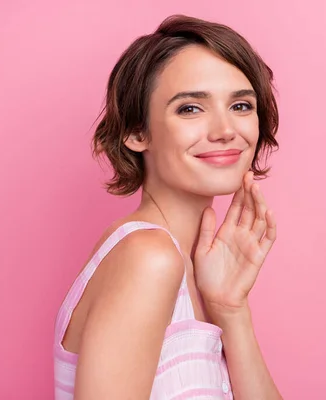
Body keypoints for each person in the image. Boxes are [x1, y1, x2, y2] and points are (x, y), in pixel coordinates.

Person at [54, 14, 282, 399]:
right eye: (190, 108)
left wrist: (230, 308)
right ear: (136, 131)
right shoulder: (148, 259)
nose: (226, 129)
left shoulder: (191, 268)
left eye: (241, 105)